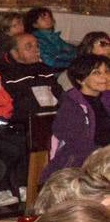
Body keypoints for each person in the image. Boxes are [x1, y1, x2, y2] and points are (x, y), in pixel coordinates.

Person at [45, 53, 110, 181]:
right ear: (81, 79)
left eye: (107, 71)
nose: (105, 77)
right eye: (97, 73)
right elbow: (77, 144)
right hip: (80, 163)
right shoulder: (72, 105)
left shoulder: (106, 100)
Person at [0, 31, 63, 125]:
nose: (36, 50)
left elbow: (59, 95)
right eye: (29, 46)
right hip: (23, 126)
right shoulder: (7, 76)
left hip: (53, 121)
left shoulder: (44, 70)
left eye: (37, 46)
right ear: (14, 53)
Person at [27, 6, 78, 70]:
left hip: (62, 66)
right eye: (43, 18)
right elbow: (49, 61)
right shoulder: (36, 39)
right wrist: (72, 64)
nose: (48, 20)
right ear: (35, 24)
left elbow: (70, 49)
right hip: (48, 70)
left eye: (49, 17)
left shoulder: (53, 36)